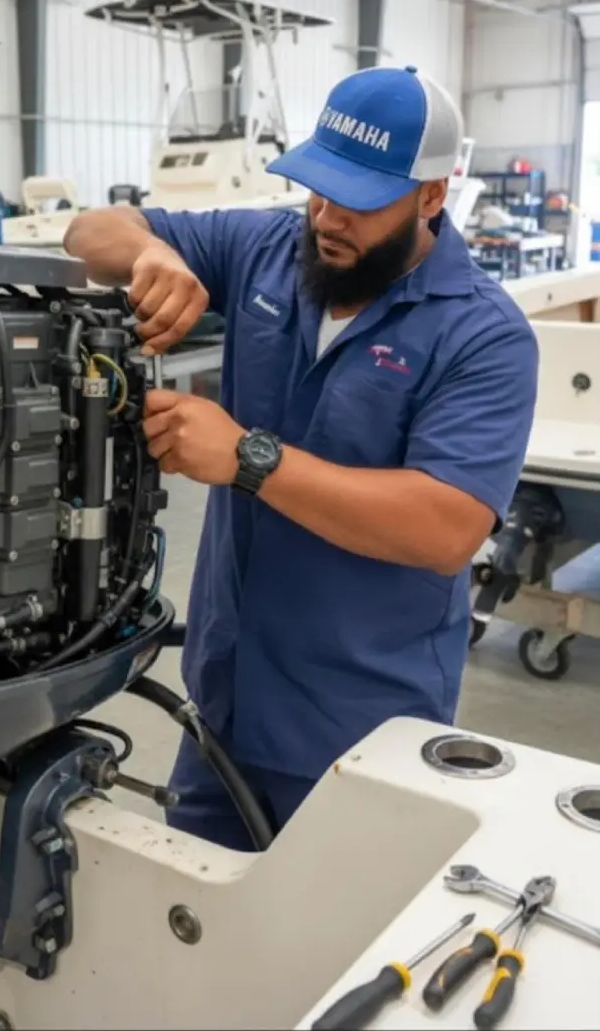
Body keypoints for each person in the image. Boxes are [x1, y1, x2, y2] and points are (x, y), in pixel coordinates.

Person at [65, 65, 539, 851]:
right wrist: (156, 254)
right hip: (222, 706)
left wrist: (249, 457)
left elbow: (444, 526)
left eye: (360, 201)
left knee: (336, 961)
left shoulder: (483, 335)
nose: (328, 217)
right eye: (320, 189)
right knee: (200, 944)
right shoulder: (265, 250)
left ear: (430, 196)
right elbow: (90, 233)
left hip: (362, 732)